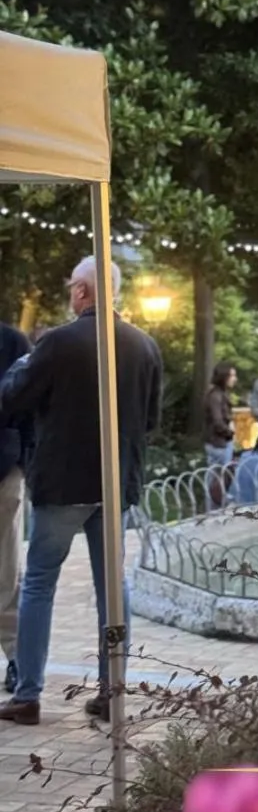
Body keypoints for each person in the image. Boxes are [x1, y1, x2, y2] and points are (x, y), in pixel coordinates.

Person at [0, 256, 162, 726]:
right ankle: (113, 691)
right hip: (115, 485)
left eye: (73, 285)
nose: (70, 292)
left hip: (61, 484)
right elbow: (150, 420)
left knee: (39, 585)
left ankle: (28, 694)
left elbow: (11, 399)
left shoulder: (57, 342)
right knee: (113, 587)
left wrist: (24, 364)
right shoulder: (144, 345)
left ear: (83, 292)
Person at [0, 320, 31, 695]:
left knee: (6, 571)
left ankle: (16, 658)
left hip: (3, 471)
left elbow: (31, 406)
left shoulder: (12, 342)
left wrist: (22, 463)